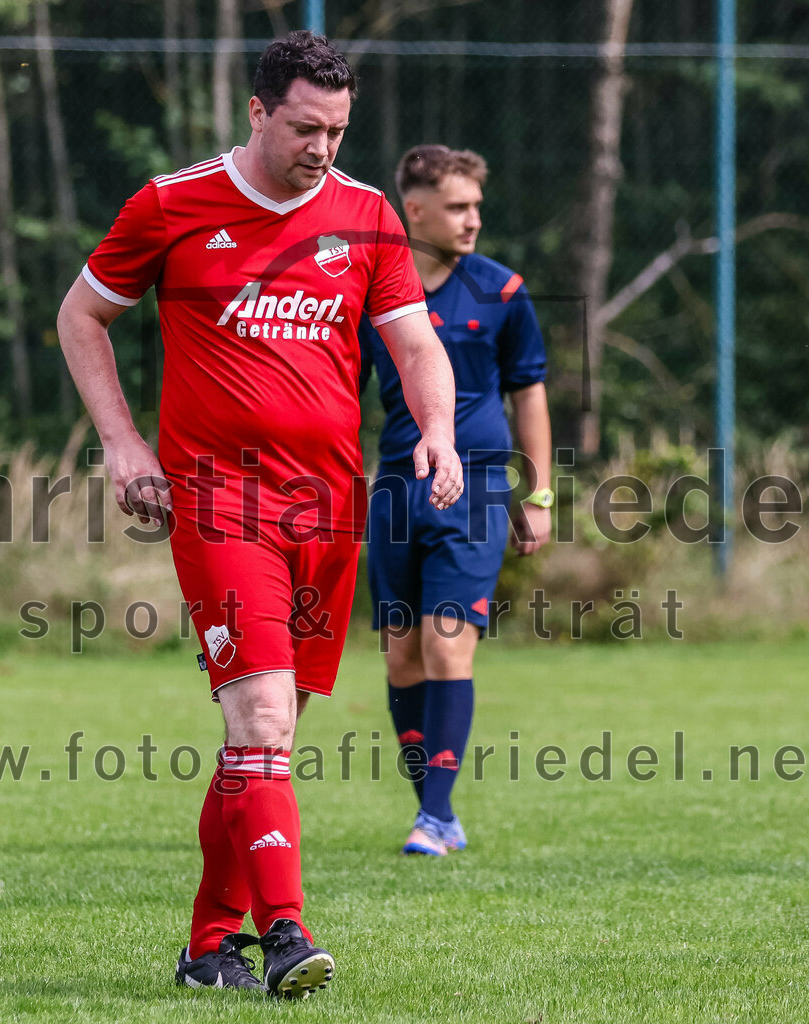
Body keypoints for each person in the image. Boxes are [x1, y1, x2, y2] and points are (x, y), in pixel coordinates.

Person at [56, 34, 463, 997]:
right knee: (264, 717)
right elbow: (81, 316)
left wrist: (439, 434)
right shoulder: (172, 202)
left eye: (337, 130)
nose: (322, 146)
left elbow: (413, 344)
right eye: (303, 127)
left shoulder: (365, 215)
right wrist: (122, 443)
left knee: (264, 741)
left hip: (329, 508)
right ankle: (286, 935)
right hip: (215, 498)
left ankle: (207, 950)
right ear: (255, 111)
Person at [359, 144, 552, 857]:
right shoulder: (376, 295)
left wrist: (540, 491)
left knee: (446, 644)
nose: (474, 219)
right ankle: (435, 808)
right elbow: (336, 394)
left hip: (476, 490)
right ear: (414, 210)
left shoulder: (502, 292)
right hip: (396, 489)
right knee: (401, 659)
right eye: (458, 206)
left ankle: (434, 818)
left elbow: (528, 394)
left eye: (476, 205)